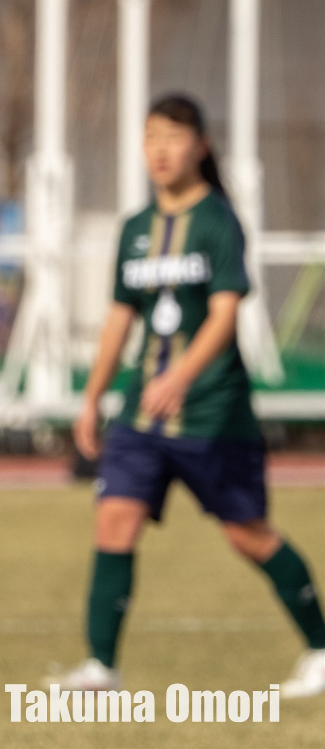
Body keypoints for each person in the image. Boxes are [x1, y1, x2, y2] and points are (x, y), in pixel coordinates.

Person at [51, 94, 325, 698]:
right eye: (150, 137)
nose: (160, 149)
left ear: (200, 146)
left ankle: (321, 648)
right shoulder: (134, 229)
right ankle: (102, 667)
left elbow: (226, 316)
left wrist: (181, 377)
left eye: (173, 136)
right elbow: (121, 319)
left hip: (212, 412)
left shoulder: (217, 221)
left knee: (247, 533)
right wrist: (92, 396)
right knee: (115, 518)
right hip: (140, 411)